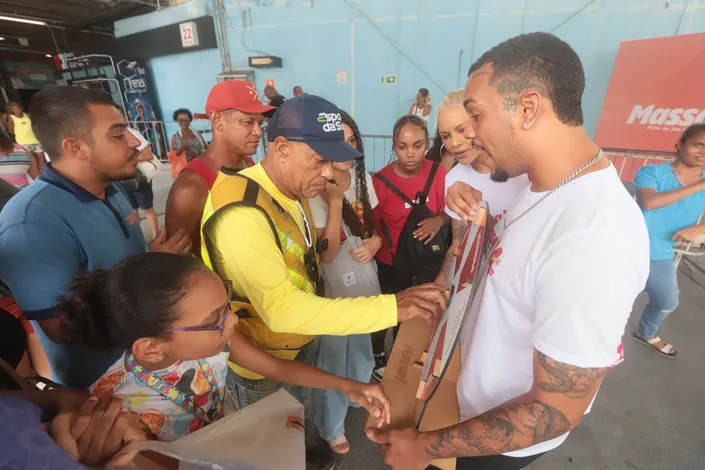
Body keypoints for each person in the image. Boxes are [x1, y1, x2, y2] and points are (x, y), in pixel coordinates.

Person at [367, 32, 650, 470]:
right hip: (468, 405)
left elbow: (556, 410)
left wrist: (423, 447)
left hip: (499, 445)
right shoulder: (536, 188)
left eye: (476, 117)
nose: (471, 137)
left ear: (527, 108)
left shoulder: (593, 234)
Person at [200, 95, 446, 469]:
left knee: (293, 428)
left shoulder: (288, 190)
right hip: (261, 368)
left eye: (332, 161)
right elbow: (281, 310)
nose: (330, 174)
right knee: (265, 453)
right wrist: (392, 305)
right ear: (281, 148)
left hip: (295, 349)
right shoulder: (242, 213)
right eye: (320, 161)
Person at [56, 252, 390, 443]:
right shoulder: (118, 420)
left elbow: (274, 367)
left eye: (227, 306)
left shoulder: (213, 340)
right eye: (217, 317)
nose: (232, 322)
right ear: (152, 348)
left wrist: (350, 387)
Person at [0, 86, 191, 390]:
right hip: (105, 388)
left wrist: (151, 263)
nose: (133, 142)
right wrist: (150, 285)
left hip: (154, 365)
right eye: (117, 134)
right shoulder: (31, 222)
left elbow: (119, 270)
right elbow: (62, 329)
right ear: (76, 147)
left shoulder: (113, 189)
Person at [307, 110, 382, 454]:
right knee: (334, 353)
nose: (347, 150)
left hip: (364, 278)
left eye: (353, 141)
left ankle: (356, 391)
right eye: (340, 142)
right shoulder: (315, 185)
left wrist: (376, 242)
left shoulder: (362, 175)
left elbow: (374, 226)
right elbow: (326, 253)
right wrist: (335, 201)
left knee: (362, 343)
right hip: (334, 283)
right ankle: (331, 424)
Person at [371, 114, 449, 379]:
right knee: (389, 309)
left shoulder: (439, 173)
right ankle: (379, 355)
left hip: (425, 261)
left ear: (426, 144)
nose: (410, 153)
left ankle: (404, 356)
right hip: (390, 262)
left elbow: (449, 210)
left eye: (417, 145)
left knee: (418, 311)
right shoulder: (379, 182)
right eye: (403, 147)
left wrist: (439, 219)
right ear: (394, 146)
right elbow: (373, 223)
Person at [432, 88, 529, 286]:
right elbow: (459, 243)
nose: (455, 143)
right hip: (484, 282)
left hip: (522, 278)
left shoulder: (521, 170)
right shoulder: (453, 179)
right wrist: (439, 286)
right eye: (446, 136)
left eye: (461, 130)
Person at [166, 80, 273, 258]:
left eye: (260, 124)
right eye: (248, 122)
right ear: (217, 120)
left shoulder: (249, 164)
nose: (258, 132)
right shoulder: (191, 188)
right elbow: (178, 264)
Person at [632, 123, 705, 358]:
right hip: (628, 251)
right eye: (697, 145)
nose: (703, 152)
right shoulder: (652, 173)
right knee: (606, 299)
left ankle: (646, 332)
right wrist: (700, 185)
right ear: (679, 145)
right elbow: (649, 202)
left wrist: (700, 228)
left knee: (667, 301)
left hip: (661, 255)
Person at [125, 127, 159, 241]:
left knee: (147, 208)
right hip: (122, 180)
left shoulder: (132, 133)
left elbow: (148, 155)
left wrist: (128, 159)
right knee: (132, 211)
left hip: (139, 178)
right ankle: (138, 239)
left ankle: (156, 238)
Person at [7, 101, 45, 170]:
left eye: (18, 108)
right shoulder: (11, 118)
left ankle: (42, 170)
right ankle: (35, 170)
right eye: (15, 108)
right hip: (23, 141)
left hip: (34, 139)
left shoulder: (27, 115)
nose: (18, 110)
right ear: (12, 110)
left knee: (41, 154)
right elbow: (10, 130)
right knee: (30, 158)